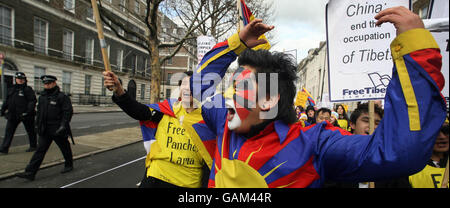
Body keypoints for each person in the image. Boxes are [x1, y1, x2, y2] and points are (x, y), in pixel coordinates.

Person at [190, 6, 446, 188]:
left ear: (269, 100)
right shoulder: (225, 122)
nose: (229, 97)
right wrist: (237, 42)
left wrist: (415, 47)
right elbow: (201, 86)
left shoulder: (315, 146)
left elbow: (399, 153)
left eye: (240, 89)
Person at [103, 71, 215, 188]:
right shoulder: (166, 110)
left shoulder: (209, 120)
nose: (188, 88)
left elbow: (212, 159)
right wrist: (119, 90)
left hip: (187, 183)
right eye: (184, 84)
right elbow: (138, 110)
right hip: (155, 178)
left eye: (193, 84)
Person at [16, 75, 74, 181]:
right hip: (45, 129)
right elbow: (39, 112)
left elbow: (67, 112)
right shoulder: (42, 97)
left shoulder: (62, 97)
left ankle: (69, 164)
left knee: (65, 148)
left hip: (57, 129)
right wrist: (37, 125)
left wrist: (63, 126)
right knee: (40, 150)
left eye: (48, 83)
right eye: (45, 84)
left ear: (54, 83)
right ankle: (30, 172)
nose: (46, 85)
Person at [0, 72, 37, 154]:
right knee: (9, 132)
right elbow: (7, 101)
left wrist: (28, 111)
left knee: (31, 131)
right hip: (13, 115)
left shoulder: (28, 89)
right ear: (16, 79)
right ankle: (4, 149)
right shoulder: (11, 89)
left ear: (24, 80)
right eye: (18, 79)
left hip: (26, 115)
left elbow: (32, 101)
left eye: (22, 79)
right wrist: (2, 110)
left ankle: (33, 146)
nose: (20, 80)